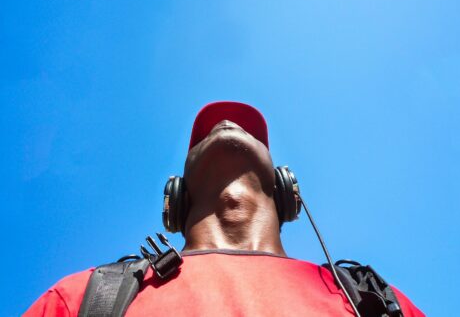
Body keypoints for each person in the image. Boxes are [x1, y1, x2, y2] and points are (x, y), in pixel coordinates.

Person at [25, 101, 424, 316]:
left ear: (286, 190)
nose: (229, 124)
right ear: (175, 198)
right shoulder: (85, 298)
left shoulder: (373, 301)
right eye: (207, 134)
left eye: (250, 132)